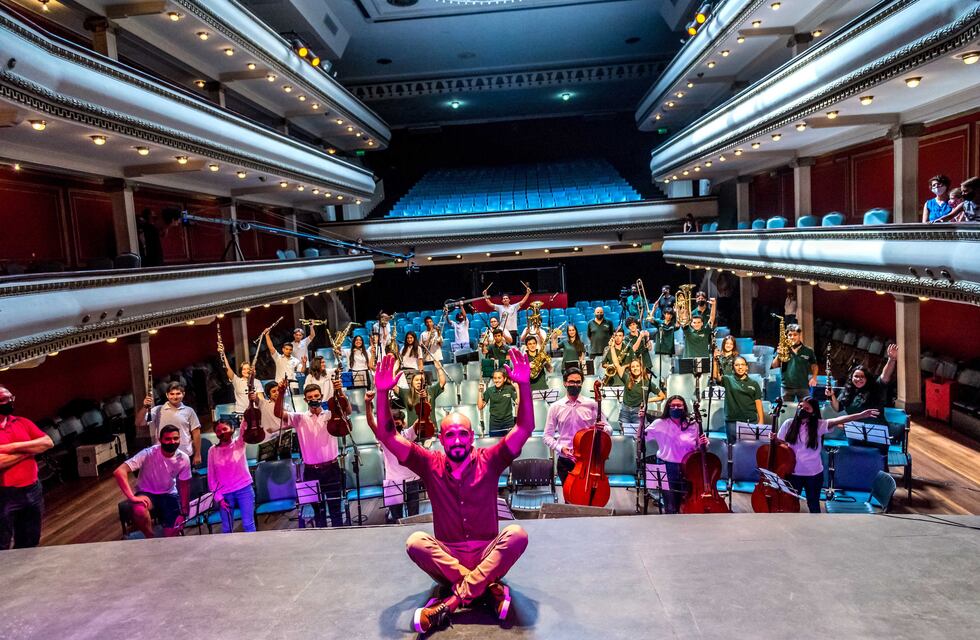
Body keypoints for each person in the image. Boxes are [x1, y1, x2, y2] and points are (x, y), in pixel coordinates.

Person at [371, 351, 533, 634]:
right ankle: (486, 588)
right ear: (441, 438)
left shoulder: (491, 459)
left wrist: (524, 385)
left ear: (471, 437)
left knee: (517, 535)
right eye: (450, 435)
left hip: (487, 551)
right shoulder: (428, 463)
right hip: (449, 557)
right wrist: (382, 393)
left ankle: (451, 602)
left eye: (462, 434)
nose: (457, 440)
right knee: (416, 541)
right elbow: (387, 436)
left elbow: (525, 427)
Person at [776, 397, 880, 513]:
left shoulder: (819, 425)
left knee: (813, 504)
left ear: (813, 412)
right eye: (800, 406)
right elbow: (781, 444)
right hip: (793, 472)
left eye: (806, 408)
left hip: (813, 474)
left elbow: (839, 420)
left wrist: (861, 415)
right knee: (791, 504)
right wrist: (774, 439)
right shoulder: (788, 423)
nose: (802, 409)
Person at [273, 381, 348, 528]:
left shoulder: (331, 414)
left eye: (316, 396)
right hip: (311, 471)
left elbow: (347, 409)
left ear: (321, 397)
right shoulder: (299, 418)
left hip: (332, 468)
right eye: (310, 397)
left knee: (335, 511)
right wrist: (281, 393)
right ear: (305, 400)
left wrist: (339, 391)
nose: (314, 399)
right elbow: (278, 413)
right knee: (318, 512)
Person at [0, 385, 54, 549]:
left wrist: (12, 447)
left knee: (30, 540)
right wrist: (29, 450)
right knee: (2, 542)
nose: (10, 402)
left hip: (32, 490)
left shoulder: (23, 422)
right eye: (4, 399)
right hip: (4, 494)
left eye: (11, 398)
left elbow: (47, 443)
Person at [113, 425, 191, 538]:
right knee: (139, 510)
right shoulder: (148, 453)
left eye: (175, 438)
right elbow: (119, 472)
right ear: (160, 440)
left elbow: (184, 485)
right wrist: (132, 497)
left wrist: (184, 511)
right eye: (168, 439)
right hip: (147, 493)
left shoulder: (183, 458)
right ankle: (150, 538)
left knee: (173, 533)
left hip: (169, 493)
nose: (172, 442)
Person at [543, 367, 610, 483]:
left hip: (588, 459)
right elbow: (546, 436)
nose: (575, 385)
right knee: (570, 498)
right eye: (572, 382)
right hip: (565, 460)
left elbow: (610, 429)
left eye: (578, 382)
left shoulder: (592, 404)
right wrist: (560, 448)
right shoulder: (555, 407)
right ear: (565, 383)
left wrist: (603, 428)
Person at [644, 396, 708, 514]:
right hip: (667, 466)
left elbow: (700, 447)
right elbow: (642, 437)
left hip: (688, 467)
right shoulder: (659, 423)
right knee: (670, 506)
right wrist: (640, 421)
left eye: (679, 405)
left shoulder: (693, 425)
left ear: (684, 408)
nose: (675, 408)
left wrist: (703, 443)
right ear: (668, 407)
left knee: (687, 503)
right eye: (672, 405)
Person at [364, 391, 420, 523]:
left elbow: (422, 418)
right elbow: (371, 422)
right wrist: (367, 403)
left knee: (414, 518)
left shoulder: (408, 434)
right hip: (393, 482)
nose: (396, 425)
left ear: (404, 423)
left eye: (398, 423)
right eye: (393, 423)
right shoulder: (384, 438)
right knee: (396, 519)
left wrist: (424, 398)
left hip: (412, 479)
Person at [136, 381, 202, 466]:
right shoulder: (157, 410)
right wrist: (145, 407)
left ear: (183, 394)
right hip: (163, 455)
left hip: (185, 454)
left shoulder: (189, 411)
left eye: (178, 393)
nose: (175, 397)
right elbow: (139, 423)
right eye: (172, 394)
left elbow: (196, 433)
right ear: (167, 395)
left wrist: (197, 454)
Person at [206, 420, 256, 533]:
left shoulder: (239, 443)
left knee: (248, 524)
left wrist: (250, 405)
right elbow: (211, 477)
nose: (222, 432)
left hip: (244, 490)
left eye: (225, 429)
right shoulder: (212, 451)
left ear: (232, 429)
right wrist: (219, 498)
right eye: (218, 431)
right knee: (227, 527)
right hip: (225, 494)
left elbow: (245, 426)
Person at [828, 344, 898, 421]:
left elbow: (885, 375)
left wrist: (891, 359)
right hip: (854, 426)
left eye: (862, 377)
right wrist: (832, 396)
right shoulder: (848, 390)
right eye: (856, 376)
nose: (858, 379)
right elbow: (838, 408)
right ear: (851, 378)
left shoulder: (875, 387)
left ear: (867, 378)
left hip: (875, 425)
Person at [716, 356, 764, 442]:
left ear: (747, 367)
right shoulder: (727, 379)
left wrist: (761, 421)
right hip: (732, 422)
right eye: (737, 365)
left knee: (748, 449)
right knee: (732, 449)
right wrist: (715, 360)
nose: (740, 367)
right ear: (733, 367)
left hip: (749, 421)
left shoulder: (754, 383)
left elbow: (758, 402)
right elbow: (716, 376)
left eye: (742, 364)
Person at [770, 323, 818, 401]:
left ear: (799, 335)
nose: (792, 337)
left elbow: (814, 365)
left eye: (795, 335)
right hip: (786, 387)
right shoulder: (782, 349)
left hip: (803, 386)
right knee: (787, 412)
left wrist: (814, 377)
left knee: (805, 411)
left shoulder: (808, 351)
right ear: (787, 337)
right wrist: (778, 355)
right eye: (790, 335)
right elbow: (774, 366)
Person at [620, 359, 665, 438]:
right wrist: (627, 365)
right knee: (624, 435)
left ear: (641, 368)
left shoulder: (647, 382)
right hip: (625, 412)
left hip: (638, 413)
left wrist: (647, 400)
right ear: (630, 369)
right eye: (633, 367)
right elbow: (617, 365)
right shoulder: (627, 378)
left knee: (639, 436)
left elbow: (662, 396)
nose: (635, 368)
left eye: (637, 366)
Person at [395, 361, 447, 429]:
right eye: (416, 380)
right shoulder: (406, 393)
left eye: (421, 380)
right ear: (412, 382)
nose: (419, 382)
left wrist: (439, 369)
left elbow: (442, 382)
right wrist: (394, 370)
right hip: (413, 432)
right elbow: (394, 387)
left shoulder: (431, 391)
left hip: (430, 430)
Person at [218, 342, 262, 415]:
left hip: (255, 412)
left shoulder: (257, 382)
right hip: (241, 413)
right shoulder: (237, 381)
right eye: (244, 369)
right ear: (241, 371)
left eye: (248, 369)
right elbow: (227, 367)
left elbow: (261, 399)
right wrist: (222, 353)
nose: (246, 371)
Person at [478, 369, 519, 437]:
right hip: (494, 426)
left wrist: (517, 388)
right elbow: (480, 406)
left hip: (508, 424)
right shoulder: (489, 390)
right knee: (495, 446)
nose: (497, 380)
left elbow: (518, 402)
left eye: (499, 378)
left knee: (510, 446)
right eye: (495, 378)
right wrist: (480, 392)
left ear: (504, 379)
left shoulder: (509, 389)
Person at [650, 305, 678, 379]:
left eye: (670, 314)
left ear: (672, 316)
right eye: (667, 314)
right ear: (664, 314)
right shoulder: (659, 322)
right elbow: (650, 319)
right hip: (659, 348)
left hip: (668, 350)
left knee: (667, 370)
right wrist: (654, 309)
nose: (668, 316)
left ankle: (666, 385)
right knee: (658, 369)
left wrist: (677, 312)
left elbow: (678, 325)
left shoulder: (673, 324)